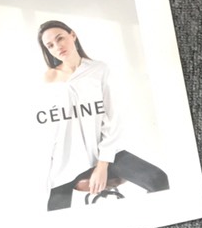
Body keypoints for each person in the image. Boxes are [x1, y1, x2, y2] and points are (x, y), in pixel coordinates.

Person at [37, 20, 169, 211]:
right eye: (50, 45)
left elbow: (112, 119)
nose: (57, 47)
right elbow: (50, 126)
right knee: (56, 210)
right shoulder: (49, 79)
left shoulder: (99, 70)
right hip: (67, 157)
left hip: (105, 152)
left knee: (159, 180)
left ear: (72, 35)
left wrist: (101, 166)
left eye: (60, 38)